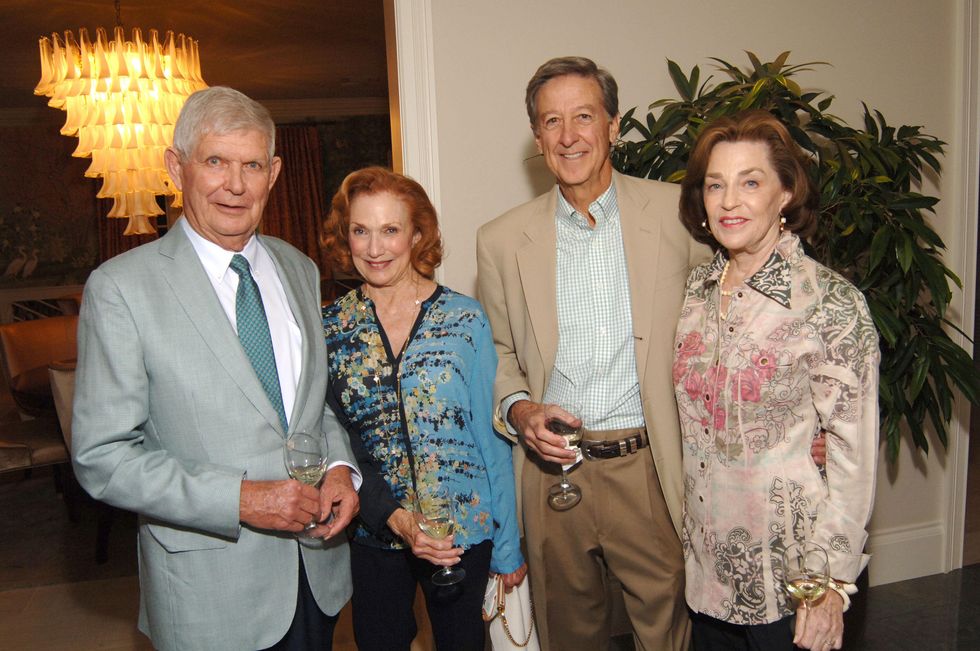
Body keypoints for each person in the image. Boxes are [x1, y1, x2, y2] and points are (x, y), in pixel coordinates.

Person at [71, 86, 360, 651]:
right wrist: (241, 498)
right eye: (215, 162)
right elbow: (101, 457)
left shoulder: (298, 268)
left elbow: (311, 403)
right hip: (210, 593)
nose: (235, 184)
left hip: (317, 576)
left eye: (251, 165)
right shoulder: (121, 289)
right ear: (176, 167)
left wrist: (342, 467)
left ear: (274, 173)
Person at [476, 56, 711, 650]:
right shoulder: (501, 240)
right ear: (537, 138)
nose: (569, 135)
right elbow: (498, 352)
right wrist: (523, 411)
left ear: (613, 125)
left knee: (669, 635)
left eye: (584, 116)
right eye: (552, 121)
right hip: (554, 474)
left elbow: (726, 330)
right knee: (569, 636)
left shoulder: (680, 215)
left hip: (650, 469)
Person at [673, 109, 879, 650]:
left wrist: (830, 585)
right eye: (715, 185)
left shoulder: (831, 304)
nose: (729, 201)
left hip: (791, 580)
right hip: (705, 573)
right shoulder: (696, 290)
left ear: (785, 193)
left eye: (751, 182)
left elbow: (853, 456)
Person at [321, 166, 527, 651]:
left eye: (390, 230)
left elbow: (489, 435)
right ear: (344, 235)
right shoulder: (330, 328)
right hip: (375, 531)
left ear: (417, 234)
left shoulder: (463, 319)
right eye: (361, 230)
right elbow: (337, 441)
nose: (375, 248)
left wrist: (507, 541)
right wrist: (391, 515)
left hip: (459, 532)